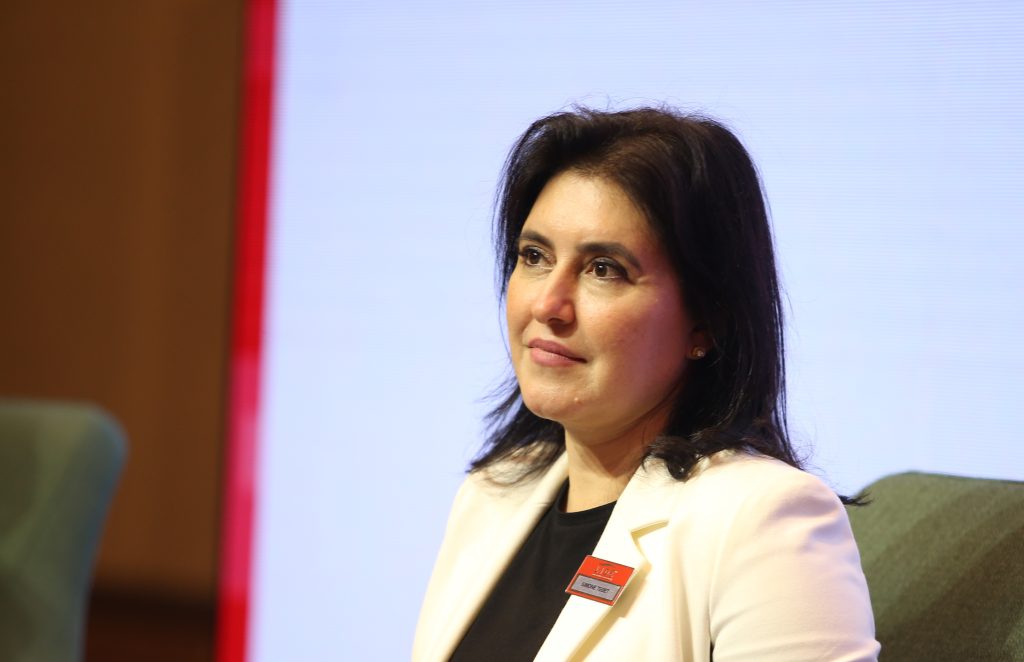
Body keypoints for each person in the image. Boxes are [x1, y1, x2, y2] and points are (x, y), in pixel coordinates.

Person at [413, 107, 879, 661]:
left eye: (603, 269)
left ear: (705, 322)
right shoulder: (492, 494)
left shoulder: (763, 521)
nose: (548, 305)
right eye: (534, 256)